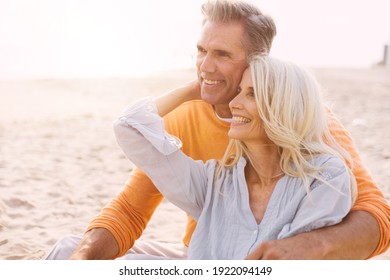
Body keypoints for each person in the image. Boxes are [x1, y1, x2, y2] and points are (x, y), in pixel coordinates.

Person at [45, 0, 389, 260]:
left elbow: (377, 216)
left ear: (259, 60)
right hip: (202, 255)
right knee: (68, 249)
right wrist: (84, 259)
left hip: (279, 258)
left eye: (221, 54)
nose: (205, 66)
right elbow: (131, 209)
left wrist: (304, 247)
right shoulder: (187, 120)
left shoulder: (309, 120)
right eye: (200, 51)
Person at [112, 55, 357, 259]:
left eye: (251, 93)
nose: (233, 103)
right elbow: (129, 126)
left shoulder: (324, 176)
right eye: (238, 90)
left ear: (284, 105)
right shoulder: (214, 182)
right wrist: (197, 89)